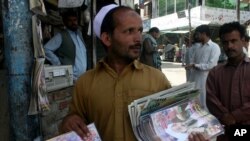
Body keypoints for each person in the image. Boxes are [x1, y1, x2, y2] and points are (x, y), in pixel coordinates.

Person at [60, 4, 171, 141]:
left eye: (139, 31)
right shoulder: (85, 83)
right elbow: (74, 120)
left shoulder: (157, 79)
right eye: (129, 31)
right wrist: (69, 121)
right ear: (107, 38)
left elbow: (174, 124)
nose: (138, 39)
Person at [206, 21, 250, 141]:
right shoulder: (215, 72)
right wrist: (225, 116)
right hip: (225, 131)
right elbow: (211, 99)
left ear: (243, 41)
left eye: (234, 41)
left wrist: (234, 116)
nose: (229, 46)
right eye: (225, 42)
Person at [44, 10, 88, 81]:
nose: (73, 23)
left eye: (75, 20)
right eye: (70, 20)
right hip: (71, 78)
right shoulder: (61, 36)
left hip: (83, 77)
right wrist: (58, 64)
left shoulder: (79, 34)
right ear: (65, 22)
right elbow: (46, 49)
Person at [185, 25, 221, 109]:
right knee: (193, 102)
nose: (196, 37)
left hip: (205, 80)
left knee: (204, 102)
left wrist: (195, 65)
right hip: (194, 79)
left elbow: (211, 65)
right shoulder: (198, 48)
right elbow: (194, 62)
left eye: (198, 34)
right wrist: (191, 66)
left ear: (204, 34)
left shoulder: (214, 47)